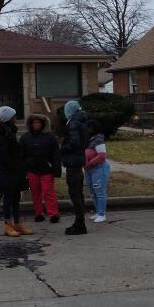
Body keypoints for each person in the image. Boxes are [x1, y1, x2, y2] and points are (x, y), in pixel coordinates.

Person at [0, 106, 32, 237]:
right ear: (8, 118)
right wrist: (14, 165)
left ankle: (17, 222)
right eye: (13, 116)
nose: (15, 118)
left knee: (16, 197)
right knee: (8, 197)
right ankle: (8, 224)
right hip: (7, 171)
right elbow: (5, 155)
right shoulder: (3, 135)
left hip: (15, 170)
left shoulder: (10, 131)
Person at [20, 114, 61, 223]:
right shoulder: (25, 138)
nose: (36, 125)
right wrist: (24, 168)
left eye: (38, 123)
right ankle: (38, 213)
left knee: (48, 192)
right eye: (34, 123)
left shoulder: (50, 137)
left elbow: (56, 154)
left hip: (46, 169)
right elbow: (22, 155)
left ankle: (53, 213)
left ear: (42, 124)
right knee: (35, 192)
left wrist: (56, 169)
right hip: (32, 169)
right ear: (31, 124)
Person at [60, 100, 89, 235]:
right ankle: (80, 221)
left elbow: (74, 143)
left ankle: (79, 223)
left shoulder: (73, 123)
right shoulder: (82, 122)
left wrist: (61, 149)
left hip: (73, 162)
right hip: (78, 161)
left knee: (74, 193)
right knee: (78, 192)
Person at [83, 121, 110, 224]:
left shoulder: (98, 140)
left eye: (88, 128)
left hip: (99, 169)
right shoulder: (89, 139)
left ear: (93, 128)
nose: (86, 130)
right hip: (89, 169)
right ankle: (98, 212)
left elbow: (102, 156)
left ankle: (102, 214)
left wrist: (89, 163)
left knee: (99, 191)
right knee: (93, 192)